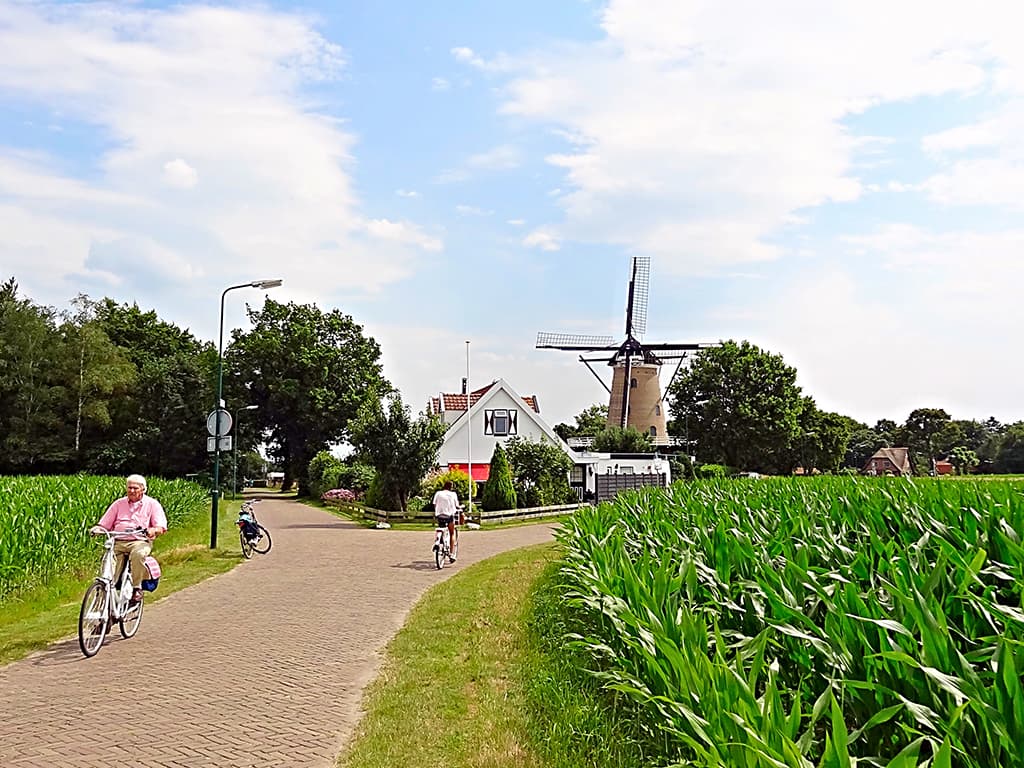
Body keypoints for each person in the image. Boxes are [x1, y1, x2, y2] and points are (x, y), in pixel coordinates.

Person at [90, 474, 167, 605]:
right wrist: (97, 529)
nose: (131, 491)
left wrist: (153, 530)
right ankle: (106, 598)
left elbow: (161, 526)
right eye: (129, 488)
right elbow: (104, 523)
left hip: (139, 541)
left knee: (138, 554)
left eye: (135, 488)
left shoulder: (152, 504)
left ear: (143, 489)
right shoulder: (119, 504)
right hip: (118, 541)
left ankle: (137, 588)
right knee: (108, 564)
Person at [431, 480, 461, 562]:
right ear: (451, 487)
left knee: (441, 527)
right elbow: (457, 505)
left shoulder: (438, 493)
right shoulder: (453, 494)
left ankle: (438, 542)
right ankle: (451, 554)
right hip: (449, 516)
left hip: (440, 515)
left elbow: (434, 504)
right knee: (452, 533)